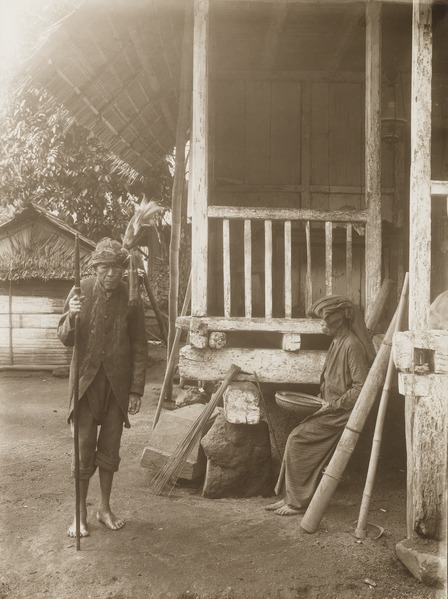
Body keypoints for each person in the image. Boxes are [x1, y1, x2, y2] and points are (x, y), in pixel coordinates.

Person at [58, 237, 148, 537]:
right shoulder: (79, 291)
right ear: (95, 268)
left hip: (116, 387)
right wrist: (71, 315)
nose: (111, 273)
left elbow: (139, 345)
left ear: (124, 270)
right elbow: (65, 337)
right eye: (104, 267)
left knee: (110, 450)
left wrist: (135, 389)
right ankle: (79, 512)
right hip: (85, 386)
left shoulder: (132, 298)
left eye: (116, 268)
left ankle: (104, 508)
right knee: (83, 451)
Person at [266, 295, 375, 516]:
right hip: (329, 407)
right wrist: (318, 399)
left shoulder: (352, 345)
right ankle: (290, 496)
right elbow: (330, 379)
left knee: (296, 440)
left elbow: (360, 389)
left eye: (324, 323)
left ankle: (297, 503)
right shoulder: (337, 341)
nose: (321, 327)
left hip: (343, 413)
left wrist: (333, 405)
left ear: (338, 321)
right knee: (295, 439)